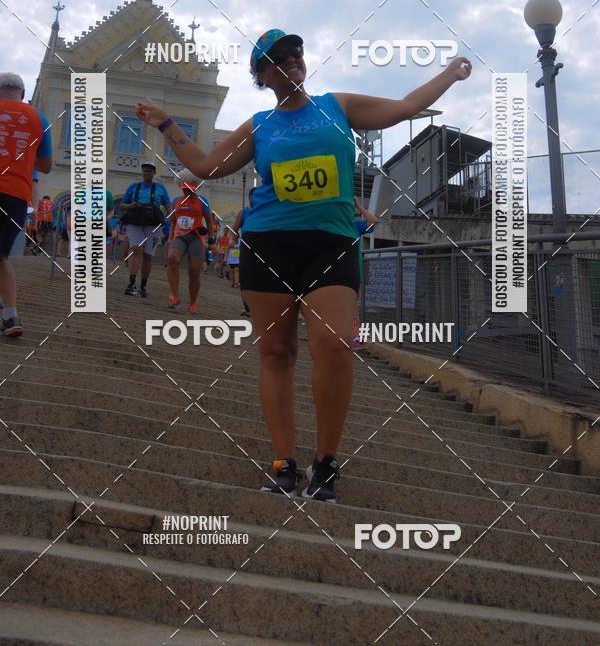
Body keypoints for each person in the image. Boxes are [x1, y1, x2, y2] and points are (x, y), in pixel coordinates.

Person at [135, 29, 472, 502]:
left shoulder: (337, 106)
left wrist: (448, 74)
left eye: (295, 51)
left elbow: (404, 108)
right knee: (276, 354)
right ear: (261, 75)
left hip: (330, 244)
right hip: (269, 245)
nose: (291, 58)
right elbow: (206, 166)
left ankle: (326, 463)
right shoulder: (259, 126)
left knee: (334, 344)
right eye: (277, 57)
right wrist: (166, 125)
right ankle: (283, 464)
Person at [0, 73, 52, 336]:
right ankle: (11, 316)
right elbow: (45, 166)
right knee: (2, 256)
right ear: (22, 94)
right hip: (15, 194)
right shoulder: (38, 118)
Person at [120, 161, 171, 297]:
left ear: (154, 173)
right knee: (136, 249)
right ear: (142, 172)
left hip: (153, 224)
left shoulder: (160, 188)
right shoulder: (133, 187)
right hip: (135, 222)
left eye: (150, 171)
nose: (147, 173)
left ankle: (143, 286)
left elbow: (168, 205)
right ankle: (131, 284)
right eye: (145, 171)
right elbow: (122, 205)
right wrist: (132, 206)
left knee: (148, 255)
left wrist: (170, 220)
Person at [167, 172, 214, 313]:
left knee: (194, 270)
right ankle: (175, 297)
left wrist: (211, 240)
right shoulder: (176, 201)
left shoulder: (202, 201)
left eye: (189, 189)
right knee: (172, 259)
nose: (187, 191)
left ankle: (193, 302)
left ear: (195, 187)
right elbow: (173, 221)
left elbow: (209, 221)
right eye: (184, 189)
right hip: (180, 236)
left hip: (196, 237)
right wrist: (170, 238)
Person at [352, 197, 380, 349]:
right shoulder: (332, 225)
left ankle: (356, 337)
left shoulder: (355, 225)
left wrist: (360, 207)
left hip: (355, 270)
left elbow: (374, 221)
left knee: (354, 306)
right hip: (337, 270)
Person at [232, 188, 256, 316]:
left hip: (262, 250)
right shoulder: (244, 213)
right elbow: (234, 229)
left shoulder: (265, 212)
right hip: (246, 248)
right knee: (244, 278)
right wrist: (232, 240)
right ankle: (248, 307)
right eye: (252, 197)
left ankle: (255, 307)